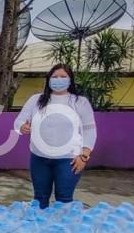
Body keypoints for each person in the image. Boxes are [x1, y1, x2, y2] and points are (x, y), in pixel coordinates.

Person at [14, 63, 96, 209]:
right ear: (48, 79)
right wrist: (22, 127)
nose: (59, 80)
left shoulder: (79, 102)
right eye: (55, 76)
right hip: (39, 158)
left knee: (64, 199)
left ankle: (61, 230)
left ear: (70, 80)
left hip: (68, 160)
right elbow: (19, 121)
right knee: (39, 200)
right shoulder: (36, 100)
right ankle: (40, 229)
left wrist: (84, 156)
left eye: (63, 77)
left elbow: (89, 130)